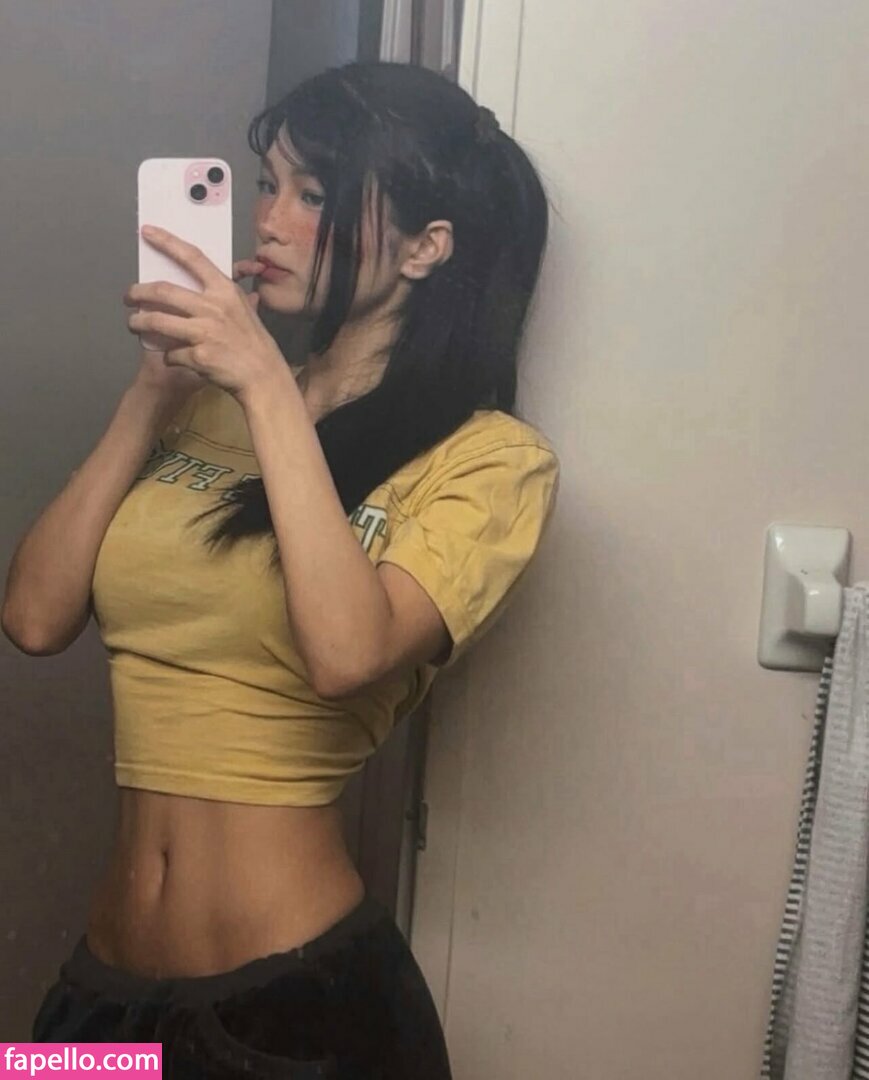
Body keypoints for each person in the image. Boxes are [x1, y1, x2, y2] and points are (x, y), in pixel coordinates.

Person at [2, 61, 558, 1078]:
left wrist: (265, 379)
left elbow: (345, 654)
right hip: (97, 1001)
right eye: (268, 185)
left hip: (298, 1013)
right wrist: (151, 395)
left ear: (426, 247)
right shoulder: (203, 404)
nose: (268, 220)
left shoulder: (491, 463)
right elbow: (33, 618)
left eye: (315, 194)